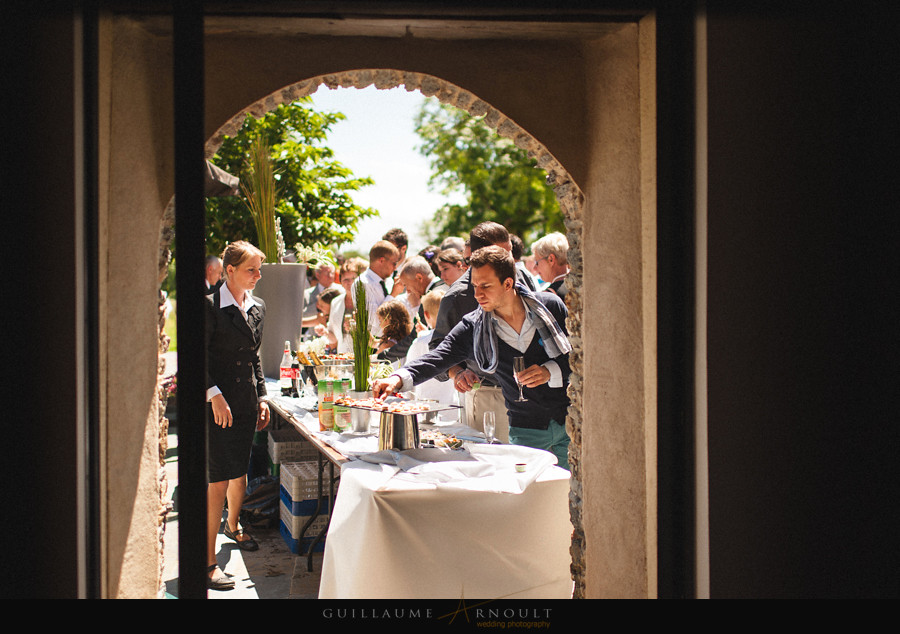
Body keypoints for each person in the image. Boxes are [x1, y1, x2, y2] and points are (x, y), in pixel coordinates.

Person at [374, 246, 571, 468]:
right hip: (526, 430)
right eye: (475, 286)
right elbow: (439, 356)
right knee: (530, 488)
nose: (477, 295)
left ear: (508, 284)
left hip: (570, 422)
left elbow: (576, 358)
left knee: (572, 489)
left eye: (486, 286)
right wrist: (397, 378)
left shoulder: (550, 307)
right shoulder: (474, 326)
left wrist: (549, 371)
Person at [429, 221, 537, 442]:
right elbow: (438, 350)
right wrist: (457, 372)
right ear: (480, 254)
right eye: (503, 252)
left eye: (510, 251)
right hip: (489, 396)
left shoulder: (522, 277)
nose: (510, 259)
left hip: (529, 393)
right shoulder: (457, 296)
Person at [204, 240, 271, 590]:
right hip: (217, 405)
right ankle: (207, 562)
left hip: (245, 403)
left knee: (239, 471)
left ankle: (233, 525)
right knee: (218, 479)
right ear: (229, 271)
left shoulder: (257, 306)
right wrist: (213, 395)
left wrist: (262, 396)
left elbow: (254, 357)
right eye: (251, 270)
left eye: (259, 269)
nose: (258, 275)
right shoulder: (208, 307)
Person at [404, 288, 459, 421]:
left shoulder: (419, 343)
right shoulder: (457, 339)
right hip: (453, 409)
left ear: (426, 315)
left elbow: (408, 377)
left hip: (425, 409)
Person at [351, 240, 402, 336]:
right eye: (394, 263)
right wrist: (393, 295)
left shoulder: (390, 281)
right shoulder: (362, 283)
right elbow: (374, 321)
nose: (395, 268)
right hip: (375, 341)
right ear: (381, 260)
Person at [325, 257, 367, 354]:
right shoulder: (335, 302)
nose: (349, 282)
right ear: (340, 282)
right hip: (342, 354)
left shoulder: (367, 301)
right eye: (345, 279)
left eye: (353, 279)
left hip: (364, 354)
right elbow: (333, 336)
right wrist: (323, 331)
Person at [531, 232, 570, 299]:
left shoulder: (548, 297)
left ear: (551, 260)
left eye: (537, 262)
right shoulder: (580, 285)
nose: (534, 268)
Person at [374, 299, 413, 365]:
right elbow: (373, 342)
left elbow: (372, 362)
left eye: (380, 321)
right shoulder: (406, 340)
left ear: (388, 320)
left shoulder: (387, 345)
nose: (380, 325)